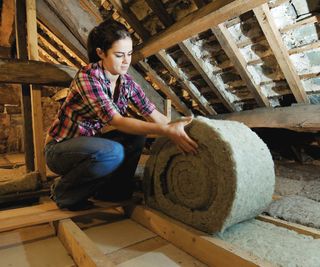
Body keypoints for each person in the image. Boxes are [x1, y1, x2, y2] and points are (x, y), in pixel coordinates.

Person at [45, 20, 198, 210]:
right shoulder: (87, 78)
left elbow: (153, 113)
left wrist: (186, 130)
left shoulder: (126, 82)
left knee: (136, 136)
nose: (127, 61)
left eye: (129, 54)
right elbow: (117, 121)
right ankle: (62, 192)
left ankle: (113, 192)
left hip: (89, 145)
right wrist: (166, 130)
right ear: (101, 53)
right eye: (119, 55)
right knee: (112, 153)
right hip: (60, 150)